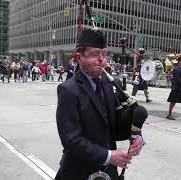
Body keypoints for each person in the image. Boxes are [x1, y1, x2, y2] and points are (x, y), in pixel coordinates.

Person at [55, 29, 145, 180]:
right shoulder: (68, 90)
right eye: (95, 54)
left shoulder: (109, 83)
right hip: (78, 170)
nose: (101, 59)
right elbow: (71, 139)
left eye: (104, 54)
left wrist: (136, 135)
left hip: (107, 171)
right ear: (79, 57)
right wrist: (108, 156)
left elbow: (115, 124)